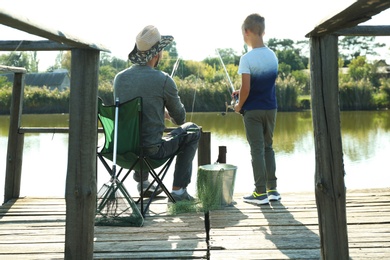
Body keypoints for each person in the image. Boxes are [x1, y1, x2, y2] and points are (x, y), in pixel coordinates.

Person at [113, 25, 200, 201]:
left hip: (123, 151)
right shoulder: (164, 80)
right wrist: (167, 110)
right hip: (152, 153)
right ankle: (178, 191)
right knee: (192, 130)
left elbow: (131, 114)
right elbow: (180, 119)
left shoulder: (119, 78)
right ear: (156, 54)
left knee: (137, 134)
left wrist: (160, 111)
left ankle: (143, 183)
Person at [232, 14, 281, 205]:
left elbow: (246, 89)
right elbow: (261, 86)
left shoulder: (247, 58)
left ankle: (260, 193)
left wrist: (238, 106)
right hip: (271, 109)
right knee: (268, 147)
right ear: (263, 31)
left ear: (247, 32)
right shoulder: (272, 56)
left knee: (257, 150)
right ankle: (273, 190)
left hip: (252, 111)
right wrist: (242, 93)